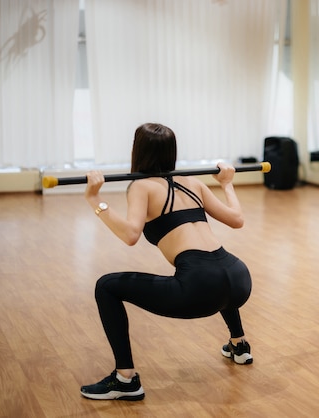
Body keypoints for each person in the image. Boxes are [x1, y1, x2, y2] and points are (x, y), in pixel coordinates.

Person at [80, 123, 254, 401]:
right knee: (215, 273)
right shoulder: (193, 182)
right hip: (239, 278)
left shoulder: (141, 186)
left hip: (202, 287)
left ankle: (125, 380)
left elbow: (130, 235)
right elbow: (237, 219)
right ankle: (239, 344)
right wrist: (227, 184)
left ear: (137, 150)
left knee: (106, 286)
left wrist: (94, 199)